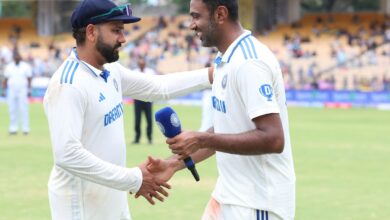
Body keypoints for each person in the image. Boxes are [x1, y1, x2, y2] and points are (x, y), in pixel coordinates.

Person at [43, 0, 212, 219]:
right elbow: (67, 155)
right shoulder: (68, 84)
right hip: (82, 211)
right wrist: (134, 178)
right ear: (91, 32)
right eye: (116, 31)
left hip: (113, 204)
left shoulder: (110, 70)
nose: (123, 39)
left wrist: (211, 75)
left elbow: (157, 87)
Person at [147, 0, 295, 219]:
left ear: (220, 14)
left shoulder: (249, 61)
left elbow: (273, 139)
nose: (191, 25)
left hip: (257, 203)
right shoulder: (226, 60)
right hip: (228, 195)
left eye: (196, 16)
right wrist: (173, 163)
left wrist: (201, 139)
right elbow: (228, 128)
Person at [3, 51, 32, 135]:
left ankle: (25, 129)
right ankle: (13, 128)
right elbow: (6, 79)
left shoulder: (25, 66)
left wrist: (29, 90)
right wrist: (4, 90)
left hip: (22, 89)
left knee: (24, 109)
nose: (16, 58)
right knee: (12, 109)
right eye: (15, 56)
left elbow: (29, 78)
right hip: (11, 89)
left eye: (18, 56)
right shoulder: (9, 67)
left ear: (20, 57)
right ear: (13, 58)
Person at [132, 56, 156, 144]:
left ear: (145, 64)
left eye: (143, 63)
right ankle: (137, 138)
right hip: (138, 99)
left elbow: (154, 84)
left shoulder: (150, 72)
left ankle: (149, 138)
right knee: (137, 119)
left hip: (148, 99)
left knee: (149, 119)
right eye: (140, 64)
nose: (141, 65)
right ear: (138, 64)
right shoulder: (134, 72)